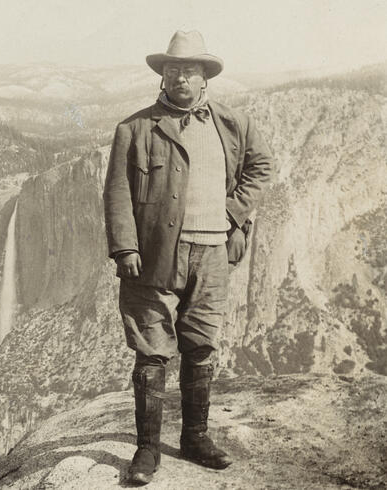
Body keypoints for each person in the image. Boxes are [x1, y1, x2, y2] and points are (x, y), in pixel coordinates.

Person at [103, 30, 274, 484]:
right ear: (163, 77)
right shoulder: (135, 129)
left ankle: (195, 438)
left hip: (213, 252)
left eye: (189, 71)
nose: (180, 78)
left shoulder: (233, 124)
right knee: (152, 350)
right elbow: (117, 193)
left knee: (200, 346)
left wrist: (233, 213)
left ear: (204, 78)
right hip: (155, 256)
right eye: (173, 70)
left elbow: (261, 168)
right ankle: (146, 450)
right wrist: (125, 247)